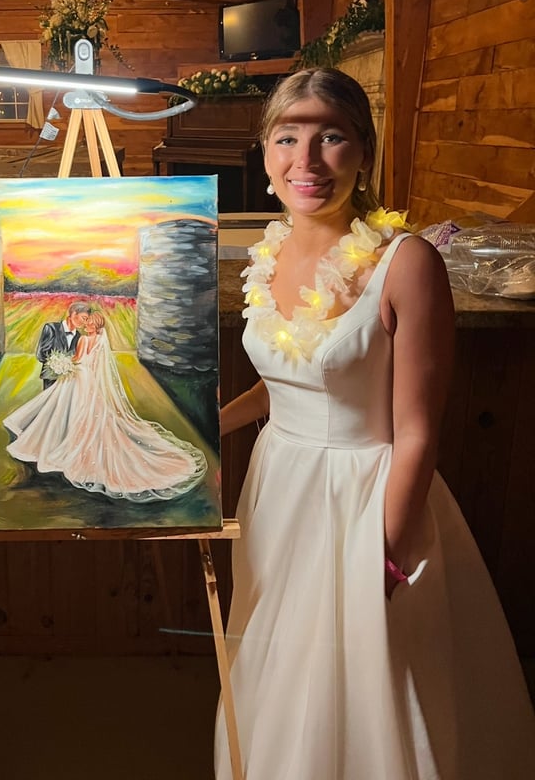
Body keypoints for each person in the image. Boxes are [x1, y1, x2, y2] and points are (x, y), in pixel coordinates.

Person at [213, 67, 535, 779]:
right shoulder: (268, 254)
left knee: (359, 682)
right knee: (279, 660)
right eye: (287, 137)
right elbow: (284, 383)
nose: (306, 160)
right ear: (264, 152)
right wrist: (207, 425)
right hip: (279, 488)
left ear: (364, 150)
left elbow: (417, 431)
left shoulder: (407, 264)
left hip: (365, 500)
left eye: (330, 136)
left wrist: (383, 557)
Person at [4, 310, 207, 501]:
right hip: (90, 380)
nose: (85, 324)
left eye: (88, 322)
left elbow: (77, 359)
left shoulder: (83, 340)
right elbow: (94, 365)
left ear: (93, 326)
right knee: (85, 411)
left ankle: (60, 438)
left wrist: (63, 363)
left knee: (66, 407)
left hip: (78, 377)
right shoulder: (101, 340)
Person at [36, 300, 91, 389]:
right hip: (51, 379)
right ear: (74, 314)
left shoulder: (79, 337)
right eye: (84, 318)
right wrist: (57, 365)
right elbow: (41, 355)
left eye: (86, 320)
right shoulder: (51, 328)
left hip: (70, 381)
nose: (85, 322)